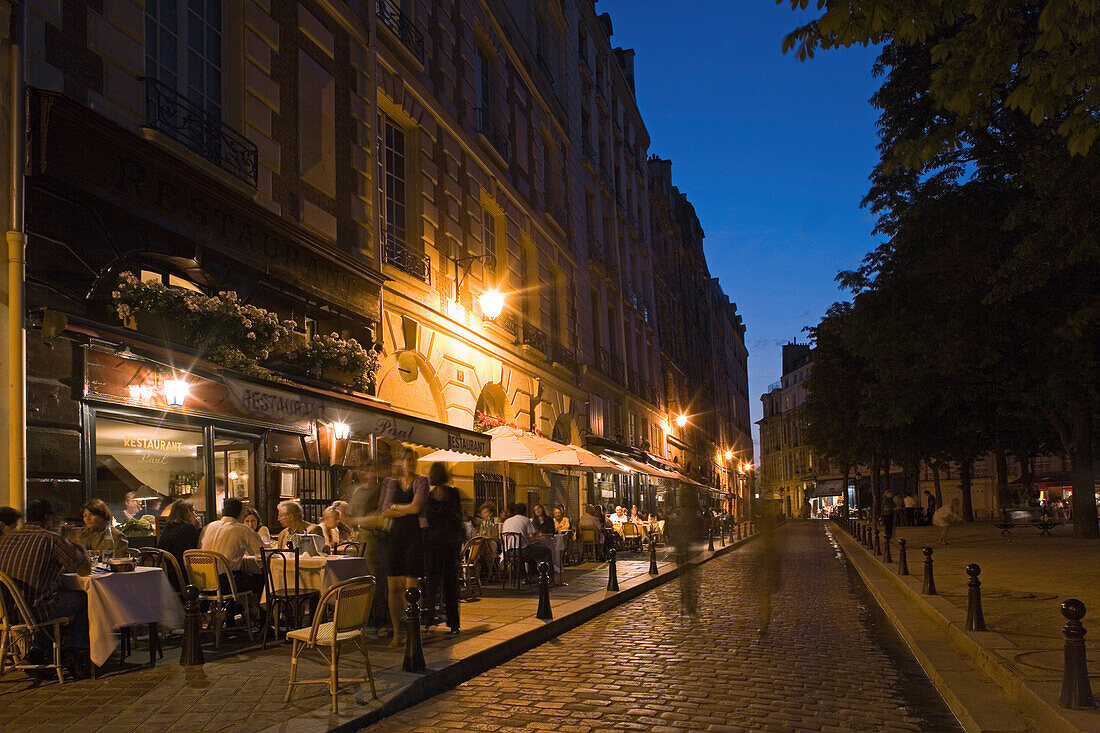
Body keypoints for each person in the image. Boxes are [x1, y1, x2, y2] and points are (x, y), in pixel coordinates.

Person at [0, 499, 91, 679]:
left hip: (7, 611)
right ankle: (74, 651)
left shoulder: (6, 539)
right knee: (84, 598)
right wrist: (77, 543)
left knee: (51, 597)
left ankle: (40, 650)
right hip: (34, 611)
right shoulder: (51, 538)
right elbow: (84, 570)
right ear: (47, 518)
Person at [381, 448, 429, 647]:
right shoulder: (391, 483)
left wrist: (396, 508)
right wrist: (403, 509)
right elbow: (384, 510)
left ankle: (412, 630)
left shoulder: (421, 481)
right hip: (396, 536)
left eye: (413, 459)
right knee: (393, 586)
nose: (410, 463)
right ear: (400, 462)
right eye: (407, 459)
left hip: (414, 536)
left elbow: (417, 507)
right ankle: (396, 632)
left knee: (411, 585)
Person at [424, 462, 463, 634]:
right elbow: (458, 517)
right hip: (450, 544)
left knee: (432, 583)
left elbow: (426, 521)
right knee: (450, 584)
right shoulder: (453, 494)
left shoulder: (430, 497)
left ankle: (429, 619)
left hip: (434, 544)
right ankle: (453, 624)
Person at [199, 497, 264, 596]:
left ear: (223, 511)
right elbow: (262, 553)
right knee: (262, 579)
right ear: (241, 512)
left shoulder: (208, 527)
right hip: (226, 582)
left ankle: (235, 607)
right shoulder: (243, 530)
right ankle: (258, 611)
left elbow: (199, 549)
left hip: (202, 580)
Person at [501, 503, 553, 577]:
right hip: (522, 552)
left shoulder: (507, 521)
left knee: (528, 551)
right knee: (546, 551)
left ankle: (526, 577)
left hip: (508, 552)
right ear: (525, 511)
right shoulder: (525, 520)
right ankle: (548, 576)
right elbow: (532, 535)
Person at [159, 500, 201, 588]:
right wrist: (198, 528)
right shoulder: (188, 529)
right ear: (186, 513)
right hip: (183, 577)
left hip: (168, 576)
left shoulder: (168, 528)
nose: (196, 514)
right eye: (193, 511)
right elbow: (195, 552)